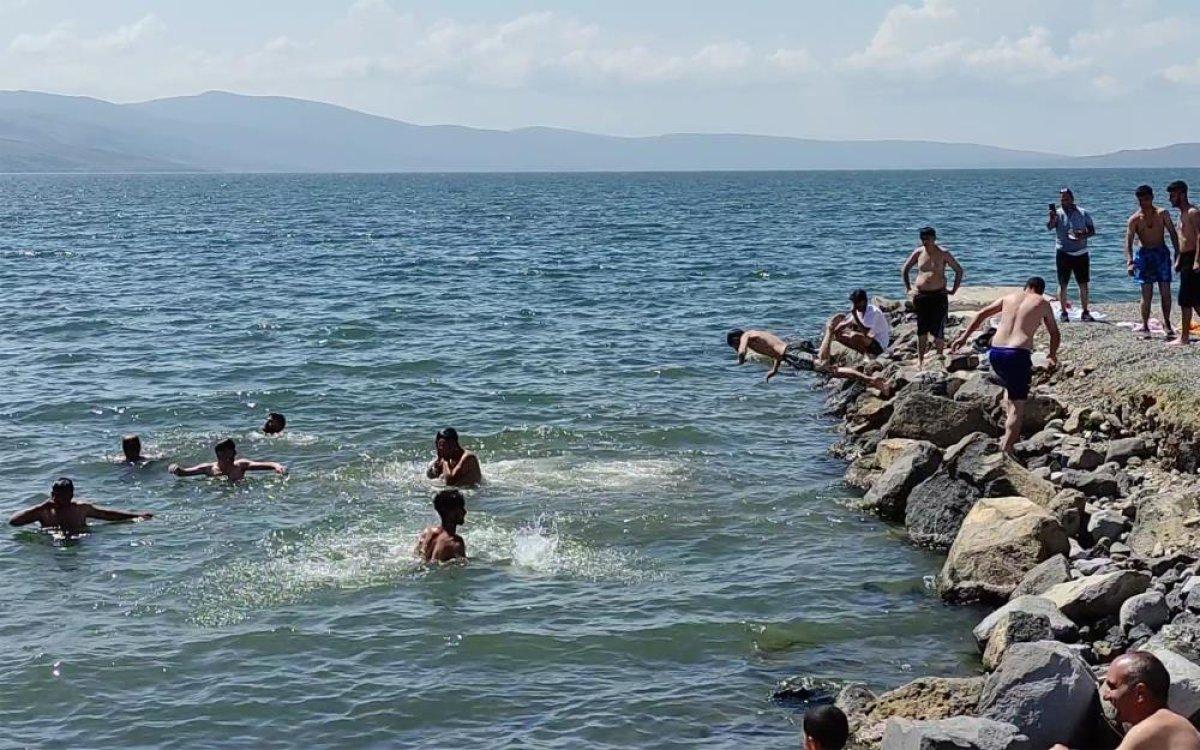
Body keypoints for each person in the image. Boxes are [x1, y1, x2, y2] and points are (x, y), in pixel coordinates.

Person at [951, 277, 1060, 454]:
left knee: (1010, 389)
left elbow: (981, 314)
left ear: (1026, 287)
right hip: (1017, 354)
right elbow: (1054, 333)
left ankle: (1005, 431)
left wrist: (963, 338)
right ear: (1040, 290)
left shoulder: (1009, 297)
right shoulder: (1042, 303)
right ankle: (1006, 450)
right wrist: (1052, 355)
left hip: (996, 353)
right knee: (1018, 406)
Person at [1051, 651, 1200, 750]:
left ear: (1140, 693)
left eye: (1112, 687)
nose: (1106, 696)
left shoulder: (1152, 727)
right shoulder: (1173, 724)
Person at [726, 328, 893, 395]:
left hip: (792, 354)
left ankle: (830, 331)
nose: (735, 348)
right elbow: (775, 352)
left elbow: (742, 350)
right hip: (792, 350)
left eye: (733, 345)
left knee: (824, 367)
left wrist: (740, 359)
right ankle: (873, 381)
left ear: (736, 339)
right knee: (831, 371)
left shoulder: (747, 335)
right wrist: (775, 370)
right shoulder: (756, 336)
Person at [901, 226, 963, 368]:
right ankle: (920, 360)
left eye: (927, 238)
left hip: (938, 295)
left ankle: (939, 358)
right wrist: (909, 288)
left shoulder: (943, 253)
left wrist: (953, 290)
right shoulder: (918, 252)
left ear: (934, 238)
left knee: (938, 329)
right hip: (921, 296)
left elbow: (958, 270)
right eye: (922, 239)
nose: (925, 241)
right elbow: (905, 269)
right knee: (922, 329)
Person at [1125, 185, 1180, 339]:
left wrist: (1178, 253)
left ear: (1152, 198)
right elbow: (1128, 241)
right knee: (1146, 293)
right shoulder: (1135, 219)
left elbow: (1173, 233)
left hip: (1161, 254)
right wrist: (1129, 261)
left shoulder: (1162, 214)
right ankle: (1145, 324)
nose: (1144, 203)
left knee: (1165, 290)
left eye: (1147, 199)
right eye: (1141, 200)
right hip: (1144, 255)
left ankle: (1167, 322)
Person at [9, 478, 152, 533]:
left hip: (78, 541)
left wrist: (137, 516)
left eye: (65, 496)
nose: (60, 500)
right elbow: (14, 522)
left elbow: (108, 515)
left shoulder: (81, 508)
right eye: (57, 496)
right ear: (52, 495)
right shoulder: (44, 511)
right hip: (52, 543)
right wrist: (40, 507)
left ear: (71, 495)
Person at [1047, 188, 1096, 322]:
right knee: (1063, 284)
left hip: (1081, 252)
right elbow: (1050, 227)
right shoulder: (1058, 214)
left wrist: (1082, 235)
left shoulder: (1083, 213)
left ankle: (1085, 311)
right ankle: (1064, 312)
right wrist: (1051, 218)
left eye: (1066, 199)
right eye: (1062, 199)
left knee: (1083, 283)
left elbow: (1092, 230)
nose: (1064, 202)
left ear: (1072, 199)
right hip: (1063, 253)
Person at [818, 289, 891, 362]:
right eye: (854, 303)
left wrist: (855, 316)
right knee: (840, 335)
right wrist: (833, 330)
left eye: (856, 303)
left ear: (864, 301)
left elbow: (866, 332)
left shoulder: (873, 312)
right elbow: (846, 323)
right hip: (869, 340)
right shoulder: (858, 310)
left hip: (880, 345)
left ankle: (869, 355)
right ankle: (863, 353)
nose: (854, 305)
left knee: (854, 335)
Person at [1169, 180, 1200, 346]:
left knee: (1186, 299)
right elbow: (1183, 240)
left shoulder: (1192, 212)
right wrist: (1179, 260)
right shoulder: (1181, 214)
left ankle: (1184, 338)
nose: (1170, 199)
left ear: (1182, 194)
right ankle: (1185, 337)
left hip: (1194, 258)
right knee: (1194, 300)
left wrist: (1197, 261)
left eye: (1173, 195)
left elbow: (1199, 236)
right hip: (1185, 258)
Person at [168, 438, 286, 481]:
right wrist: (174, 468)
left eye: (234, 451)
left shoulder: (240, 465)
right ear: (220, 454)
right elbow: (184, 473)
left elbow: (266, 465)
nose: (235, 453)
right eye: (231, 451)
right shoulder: (208, 469)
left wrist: (276, 466)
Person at [415, 489, 467, 563]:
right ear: (451, 512)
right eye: (461, 508)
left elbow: (416, 557)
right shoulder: (456, 542)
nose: (465, 511)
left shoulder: (427, 532)